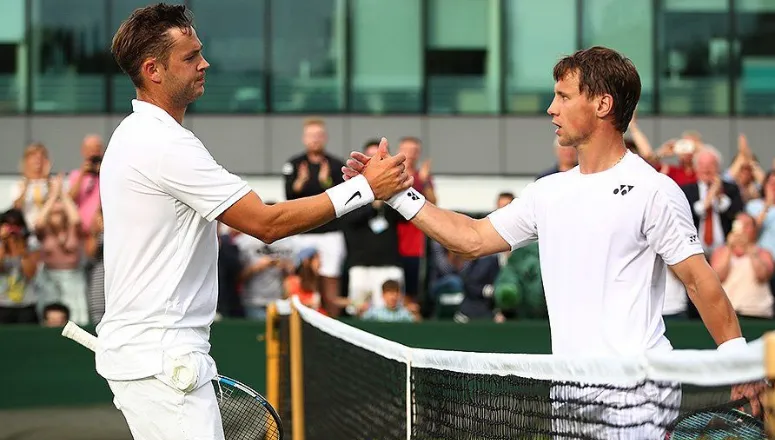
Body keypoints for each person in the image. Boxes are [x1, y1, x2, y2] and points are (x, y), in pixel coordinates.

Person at [343, 46, 762, 437]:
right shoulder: (548, 192)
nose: (551, 108)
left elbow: (699, 282)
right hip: (568, 399)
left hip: (639, 399)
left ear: (602, 104)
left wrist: (739, 361)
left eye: (563, 96)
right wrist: (397, 193)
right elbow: (471, 238)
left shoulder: (653, 190)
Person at [97, 4, 411, 440]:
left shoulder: (137, 136)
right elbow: (266, 223)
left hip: (157, 358)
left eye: (199, 52)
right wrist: (366, 189)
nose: (204, 63)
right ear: (153, 70)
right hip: (163, 361)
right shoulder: (162, 144)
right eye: (190, 57)